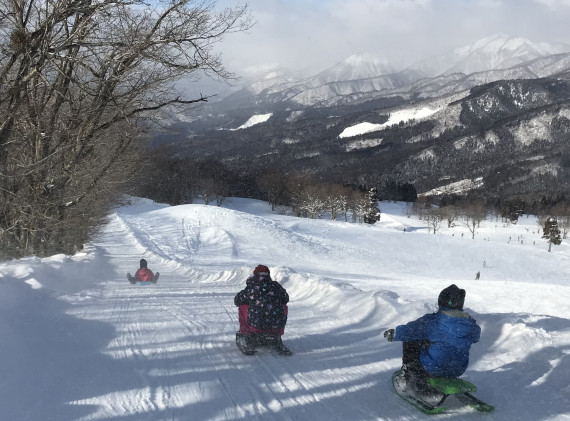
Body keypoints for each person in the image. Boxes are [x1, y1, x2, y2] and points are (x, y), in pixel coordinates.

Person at [384, 284, 481, 392]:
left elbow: (410, 331)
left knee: (411, 340)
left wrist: (394, 334)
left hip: (433, 367)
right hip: (458, 369)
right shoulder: (471, 325)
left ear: (441, 301)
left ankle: (409, 374)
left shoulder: (433, 321)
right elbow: (476, 337)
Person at [234, 264, 290, 354]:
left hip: (256, 325)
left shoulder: (252, 287)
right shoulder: (276, 286)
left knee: (242, 306)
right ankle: (277, 334)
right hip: (275, 325)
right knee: (283, 306)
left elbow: (237, 300)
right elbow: (286, 299)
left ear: (255, 275)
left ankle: (247, 335)